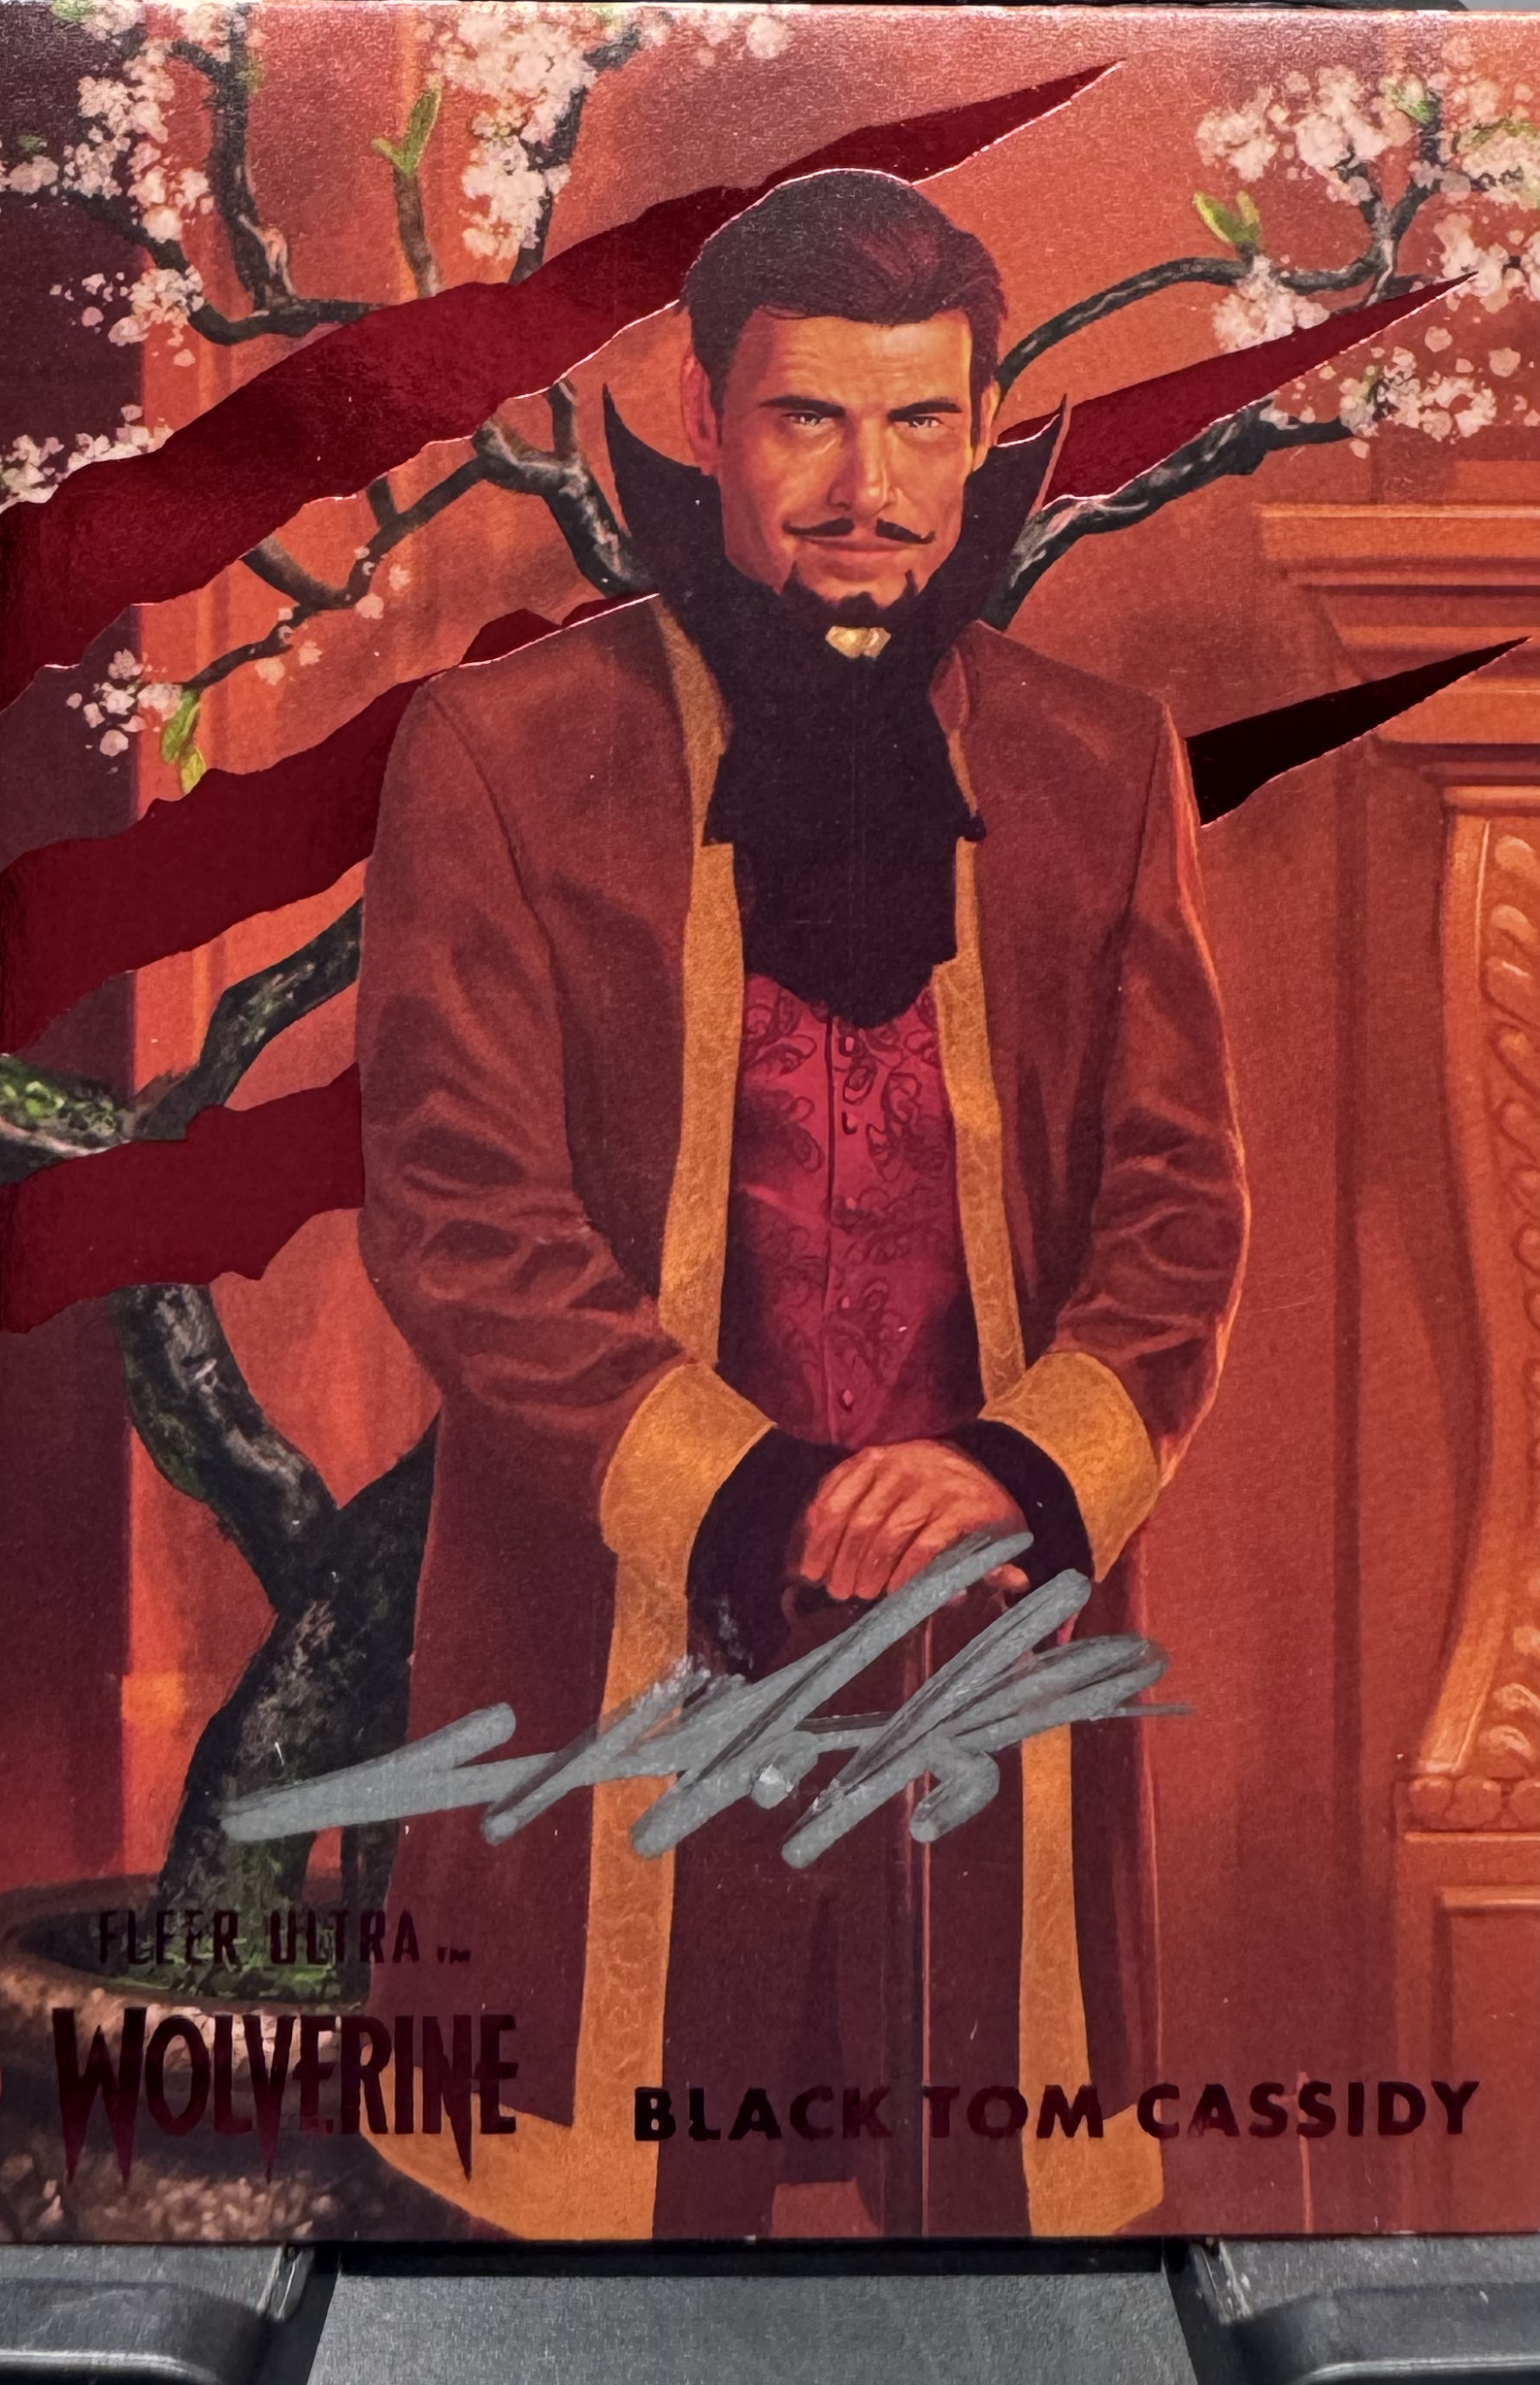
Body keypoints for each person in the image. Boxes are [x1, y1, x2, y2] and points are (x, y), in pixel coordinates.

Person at [354, 167, 1248, 2236]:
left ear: (986, 423)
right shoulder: (495, 754)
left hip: (991, 1657)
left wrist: (1019, 1468)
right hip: (622, 1659)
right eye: (809, 420)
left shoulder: (1104, 762)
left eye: (922, 422)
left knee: (1002, 2319)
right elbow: (462, 1211)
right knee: (596, 2309)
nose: (871, 488)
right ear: (705, 411)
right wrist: (745, 1493)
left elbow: (1182, 1207)